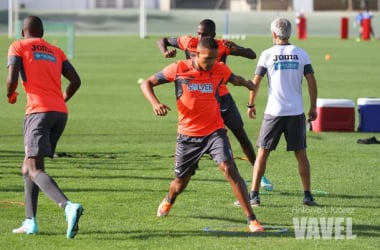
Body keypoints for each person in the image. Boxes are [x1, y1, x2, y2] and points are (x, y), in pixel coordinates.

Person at [141, 36, 264, 232]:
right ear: (196, 54)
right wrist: (155, 103)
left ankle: (252, 220)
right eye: (207, 58)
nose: (211, 63)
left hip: (214, 132)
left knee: (229, 168)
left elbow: (234, 79)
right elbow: (146, 83)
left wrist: (247, 84)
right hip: (188, 136)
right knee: (180, 183)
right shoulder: (179, 68)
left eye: (215, 58)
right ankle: (169, 199)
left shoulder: (219, 69)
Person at [157, 19, 273, 192]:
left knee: (240, 134)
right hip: (199, 98)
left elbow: (251, 54)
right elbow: (163, 40)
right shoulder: (189, 42)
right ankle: (185, 174)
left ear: (213, 36)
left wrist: (236, 48)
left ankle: (259, 174)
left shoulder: (222, 46)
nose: (199, 36)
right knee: (198, 136)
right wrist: (165, 51)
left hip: (222, 97)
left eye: (203, 34)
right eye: (198, 33)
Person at [6, 16, 84, 238]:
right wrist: (60, 100)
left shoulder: (18, 46)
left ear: (23, 32)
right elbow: (76, 80)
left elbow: (11, 79)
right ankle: (30, 221)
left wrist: (10, 94)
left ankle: (68, 206)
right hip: (59, 113)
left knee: (34, 169)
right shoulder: (55, 50)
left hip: (38, 113)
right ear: (43, 32)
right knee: (27, 168)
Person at [246, 18, 318, 207]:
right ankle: (307, 195)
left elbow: (256, 81)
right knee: (301, 153)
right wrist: (313, 106)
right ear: (289, 33)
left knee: (262, 153)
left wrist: (250, 105)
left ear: (274, 34)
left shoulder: (267, 54)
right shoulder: (301, 54)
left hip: (274, 112)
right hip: (296, 111)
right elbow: (311, 80)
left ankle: (254, 195)